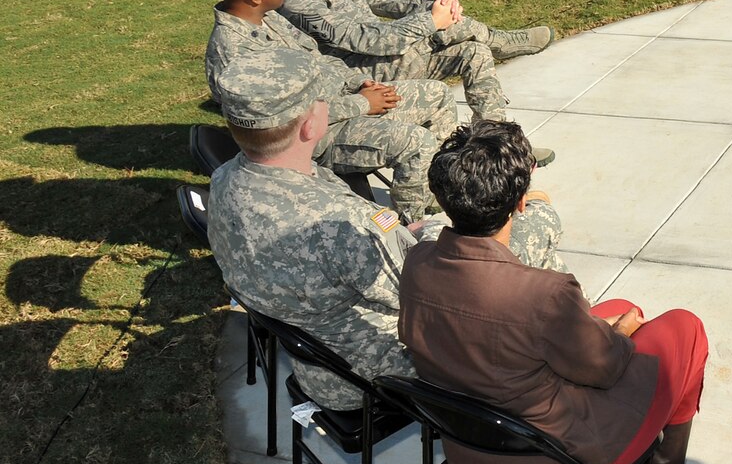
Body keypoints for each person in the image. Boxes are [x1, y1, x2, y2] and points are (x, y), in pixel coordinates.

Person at [399, 119, 710, 464]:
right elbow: (607, 369)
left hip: (471, 454)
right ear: (520, 203)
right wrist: (622, 335)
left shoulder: (417, 263)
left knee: (614, 309)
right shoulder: (544, 293)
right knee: (684, 328)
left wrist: (613, 327)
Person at [204, 46, 564, 413]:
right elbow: (442, 290)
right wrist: (515, 213)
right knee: (533, 226)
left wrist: (415, 230)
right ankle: (571, 359)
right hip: (381, 373)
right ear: (312, 125)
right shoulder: (342, 225)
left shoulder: (224, 180)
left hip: (320, 361)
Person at [278, 0, 555, 160]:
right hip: (361, 76)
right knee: (455, 31)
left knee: (474, 52)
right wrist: (432, 21)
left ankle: (501, 150)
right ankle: (501, 41)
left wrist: (429, 3)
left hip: (390, 59)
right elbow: (364, 39)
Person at [206, 0, 456, 222]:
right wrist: (360, 104)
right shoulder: (235, 54)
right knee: (416, 142)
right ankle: (410, 226)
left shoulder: (268, 18)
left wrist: (358, 82)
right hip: (311, 138)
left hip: (343, 102)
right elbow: (286, 121)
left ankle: (436, 194)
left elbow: (321, 60)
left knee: (438, 96)